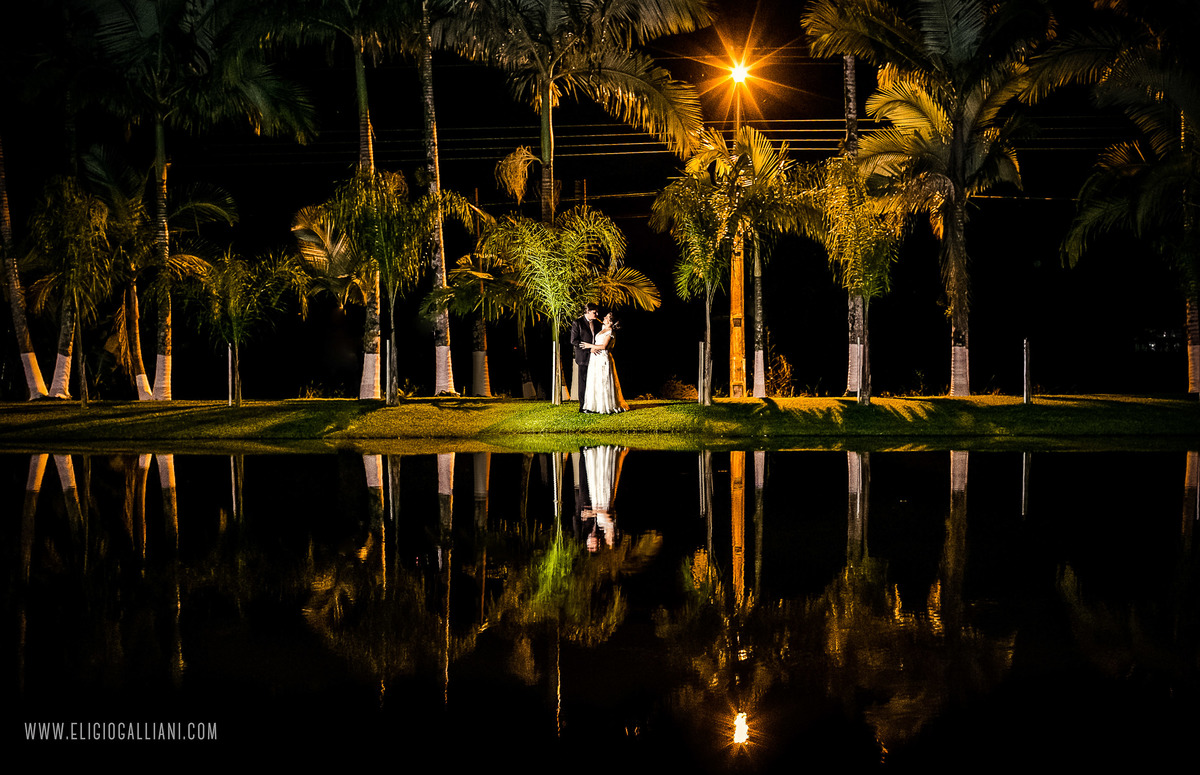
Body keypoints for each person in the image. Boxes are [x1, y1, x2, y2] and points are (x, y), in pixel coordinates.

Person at [582, 312, 629, 414]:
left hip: (603, 358)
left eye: (606, 317)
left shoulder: (610, 331)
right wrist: (592, 349)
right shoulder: (603, 329)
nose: (604, 317)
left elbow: (604, 346)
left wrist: (589, 346)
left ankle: (606, 405)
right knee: (596, 380)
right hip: (596, 358)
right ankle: (594, 405)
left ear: (610, 321)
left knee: (603, 381)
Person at [569, 303, 601, 412]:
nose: (597, 314)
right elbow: (574, 340)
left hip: (596, 356)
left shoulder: (598, 323)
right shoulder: (577, 323)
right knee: (583, 382)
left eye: (597, 312)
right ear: (587, 311)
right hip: (583, 357)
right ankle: (583, 406)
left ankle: (593, 405)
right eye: (594, 312)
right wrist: (589, 348)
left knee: (594, 381)